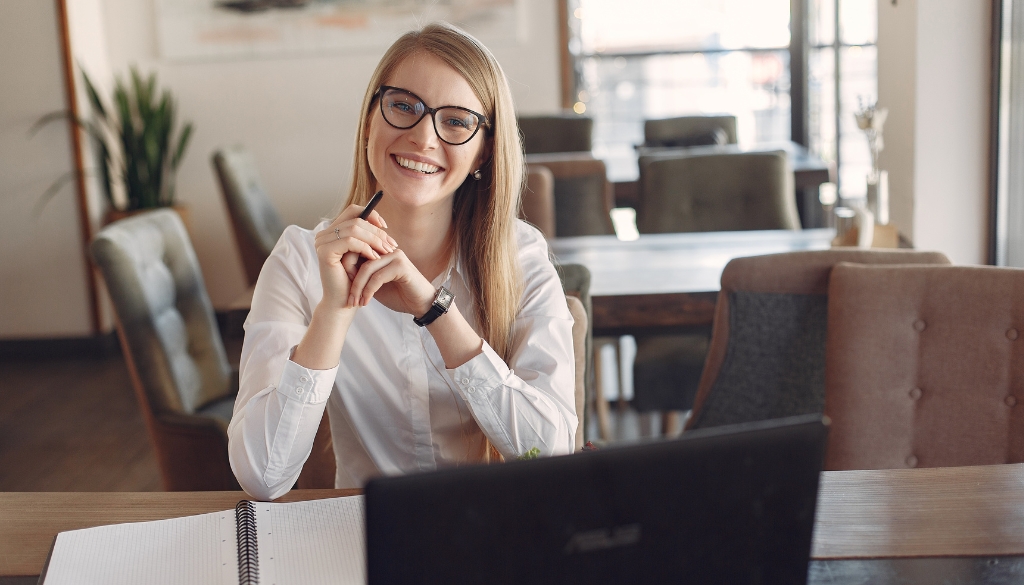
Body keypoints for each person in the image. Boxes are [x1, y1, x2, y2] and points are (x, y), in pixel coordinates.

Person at [228, 22, 578, 500]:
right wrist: (335, 310)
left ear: (484, 151)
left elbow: (551, 457)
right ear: (371, 117)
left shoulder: (522, 257)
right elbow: (262, 478)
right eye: (403, 106)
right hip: (363, 538)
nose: (422, 136)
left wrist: (436, 311)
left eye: (455, 121)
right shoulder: (300, 260)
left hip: (493, 533)